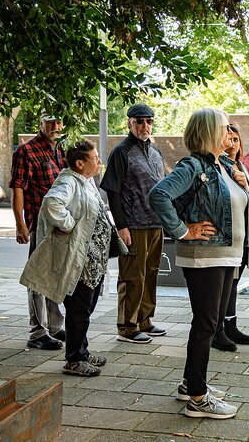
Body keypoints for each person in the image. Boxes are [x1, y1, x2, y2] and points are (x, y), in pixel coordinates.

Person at [149, 108, 248, 419]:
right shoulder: (193, 165)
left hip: (222, 255)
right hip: (205, 256)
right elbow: (159, 195)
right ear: (209, 132)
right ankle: (198, 398)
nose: (229, 133)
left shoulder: (219, 166)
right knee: (206, 324)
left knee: (210, 323)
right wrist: (183, 230)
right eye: (223, 128)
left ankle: (191, 384)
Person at [20, 140, 111, 377]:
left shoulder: (86, 180)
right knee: (78, 311)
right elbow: (52, 202)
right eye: (95, 159)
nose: (99, 162)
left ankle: (82, 350)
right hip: (79, 262)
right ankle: (74, 360)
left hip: (92, 262)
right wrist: (67, 223)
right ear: (80, 163)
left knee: (86, 309)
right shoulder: (69, 180)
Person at [100, 104, 167, 344]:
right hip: (133, 225)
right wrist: (121, 227)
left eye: (149, 121)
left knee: (151, 273)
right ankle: (127, 326)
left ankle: (144, 320)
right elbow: (113, 191)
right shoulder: (121, 152)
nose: (144, 126)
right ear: (129, 123)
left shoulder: (156, 151)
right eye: (139, 121)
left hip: (155, 223)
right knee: (132, 276)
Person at [9, 111, 66, 350]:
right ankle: (37, 332)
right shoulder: (26, 151)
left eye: (58, 120)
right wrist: (20, 224)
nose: (55, 125)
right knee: (37, 276)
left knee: (53, 274)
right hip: (38, 224)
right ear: (40, 123)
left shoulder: (60, 150)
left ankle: (54, 325)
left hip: (59, 224)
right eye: (50, 120)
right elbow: (18, 188)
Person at [211, 124, 249, 350]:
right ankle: (218, 330)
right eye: (229, 138)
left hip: (243, 234)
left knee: (234, 283)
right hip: (228, 235)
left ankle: (230, 326)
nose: (233, 144)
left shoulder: (242, 167)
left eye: (236, 139)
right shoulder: (220, 168)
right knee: (225, 285)